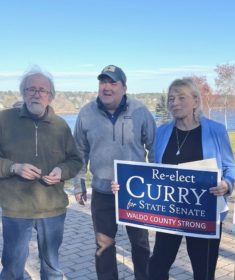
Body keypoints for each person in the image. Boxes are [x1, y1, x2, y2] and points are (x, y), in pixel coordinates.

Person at [147, 78, 235, 280]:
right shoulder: (161, 132)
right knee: (157, 266)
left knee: (203, 271)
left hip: (204, 213)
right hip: (169, 211)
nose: (174, 103)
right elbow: (152, 169)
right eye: (171, 98)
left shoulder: (216, 130)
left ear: (196, 101)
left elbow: (231, 167)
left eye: (181, 97)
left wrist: (227, 184)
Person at [73, 65, 156, 280]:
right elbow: (79, 151)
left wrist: (154, 182)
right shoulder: (86, 113)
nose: (106, 87)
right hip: (102, 192)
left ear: (124, 87)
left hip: (136, 194)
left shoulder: (140, 111)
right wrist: (79, 184)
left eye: (113, 82)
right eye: (103, 82)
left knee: (140, 244)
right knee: (104, 246)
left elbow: (153, 147)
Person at [0, 67, 83, 279]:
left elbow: (75, 160)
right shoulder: (4, 120)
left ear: (51, 96)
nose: (37, 94)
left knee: (52, 269)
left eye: (43, 90)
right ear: (23, 92)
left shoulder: (61, 125)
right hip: (16, 209)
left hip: (52, 210)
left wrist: (61, 171)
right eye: (31, 89)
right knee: (11, 269)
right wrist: (13, 167)